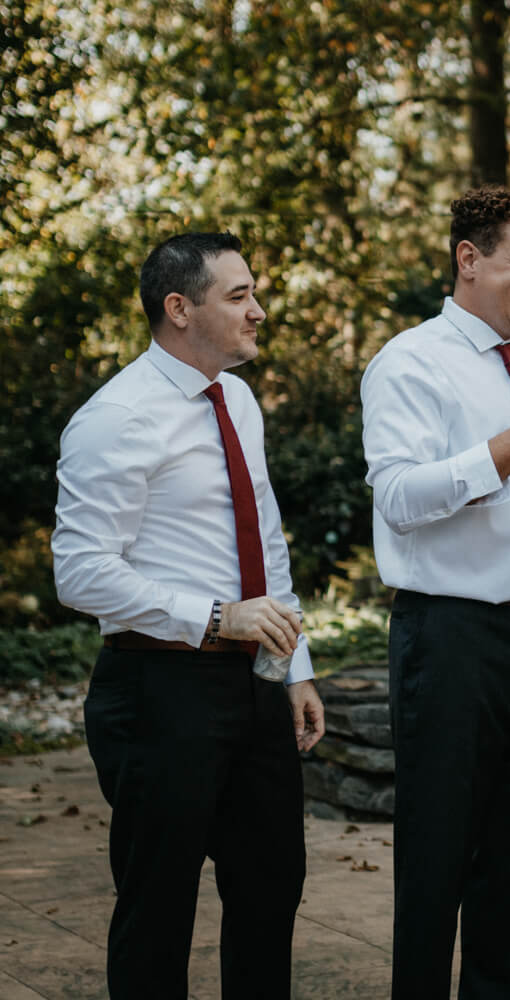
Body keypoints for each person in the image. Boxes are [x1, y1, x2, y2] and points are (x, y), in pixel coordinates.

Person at [53, 231, 325, 998]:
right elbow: (78, 572)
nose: (259, 310)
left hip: (255, 687)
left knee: (273, 892)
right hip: (157, 692)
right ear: (179, 308)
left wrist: (292, 667)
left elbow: (264, 540)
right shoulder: (116, 417)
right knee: (158, 910)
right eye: (238, 296)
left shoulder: (237, 398)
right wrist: (214, 619)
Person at [360, 186, 510, 998]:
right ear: (469, 259)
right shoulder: (409, 361)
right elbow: (398, 497)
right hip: (451, 637)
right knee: (438, 856)